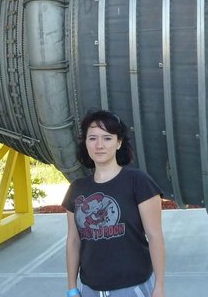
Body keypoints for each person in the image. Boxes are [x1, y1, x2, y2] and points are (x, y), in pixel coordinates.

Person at [62, 110, 166, 297]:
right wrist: (72, 287)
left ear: (119, 143)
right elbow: (73, 241)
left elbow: (155, 235)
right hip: (90, 288)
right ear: (85, 143)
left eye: (107, 138)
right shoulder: (77, 188)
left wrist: (159, 286)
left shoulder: (138, 181)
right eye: (92, 138)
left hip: (132, 286)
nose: (99, 145)